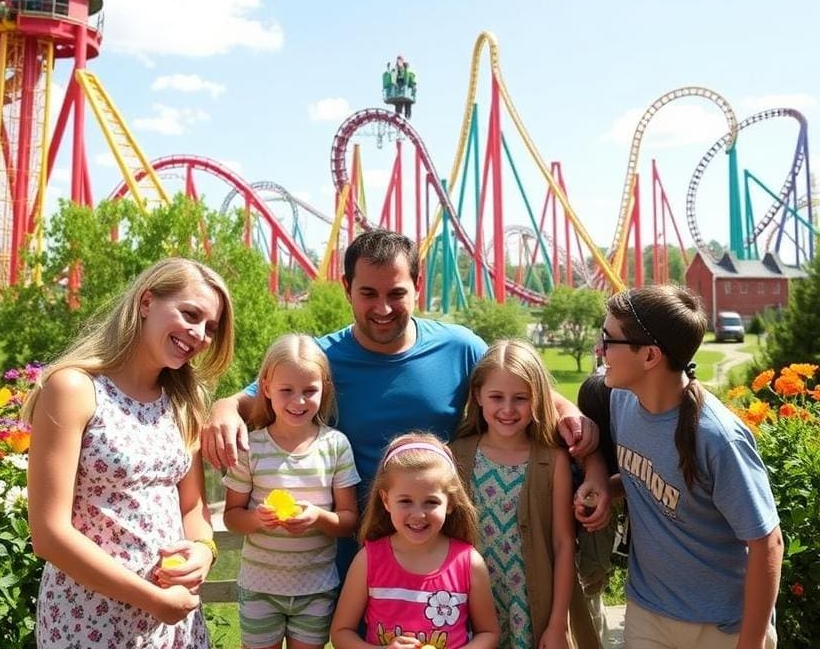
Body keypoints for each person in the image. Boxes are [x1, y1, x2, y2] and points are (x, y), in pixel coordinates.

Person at [202, 230, 598, 579]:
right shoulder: (319, 360)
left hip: (441, 551)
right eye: (368, 294)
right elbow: (253, 396)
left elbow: (531, 394)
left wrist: (578, 426)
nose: (383, 309)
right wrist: (223, 407)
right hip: (351, 554)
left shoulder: (459, 347)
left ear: (418, 285)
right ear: (346, 288)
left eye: (396, 293)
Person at [24, 258, 235, 648]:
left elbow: (191, 507)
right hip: (87, 618)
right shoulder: (74, 389)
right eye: (190, 314)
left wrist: (204, 552)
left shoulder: (185, 400)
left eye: (211, 328)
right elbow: (48, 534)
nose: (200, 334)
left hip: (173, 623)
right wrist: (152, 599)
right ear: (146, 302)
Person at [601, 285, 782, 649]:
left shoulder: (718, 437)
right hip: (648, 612)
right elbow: (661, 480)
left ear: (650, 355)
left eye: (608, 340)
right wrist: (607, 488)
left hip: (722, 627)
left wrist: (752, 642)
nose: (599, 349)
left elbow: (768, 543)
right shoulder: (621, 401)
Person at [450, 339, 603, 649]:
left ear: (538, 398)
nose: (508, 409)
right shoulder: (457, 455)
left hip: (534, 603)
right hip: (472, 603)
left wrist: (558, 623)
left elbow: (562, 543)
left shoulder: (552, 460)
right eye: (496, 397)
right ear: (478, 395)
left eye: (520, 398)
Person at [222, 333, 361, 649]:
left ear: (324, 387)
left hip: (316, 587)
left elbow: (349, 519)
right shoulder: (251, 447)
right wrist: (258, 520)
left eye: (309, 391)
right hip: (260, 587)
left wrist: (318, 518)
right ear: (267, 388)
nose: (298, 401)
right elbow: (232, 516)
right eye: (286, 390)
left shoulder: (335, 446)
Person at [330, 433, 500, 649]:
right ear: (386, 500)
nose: (418, 515)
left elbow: (489, 632)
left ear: (450, 502)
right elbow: (341, 633)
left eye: (431, 502)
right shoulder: (368, 560)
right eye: (405, 501)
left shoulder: (468, 562)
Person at [575, 372, 624, 647]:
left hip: (589, 575)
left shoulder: (585, 467)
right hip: (606, 569)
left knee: (592, 612)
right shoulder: (625, 455)